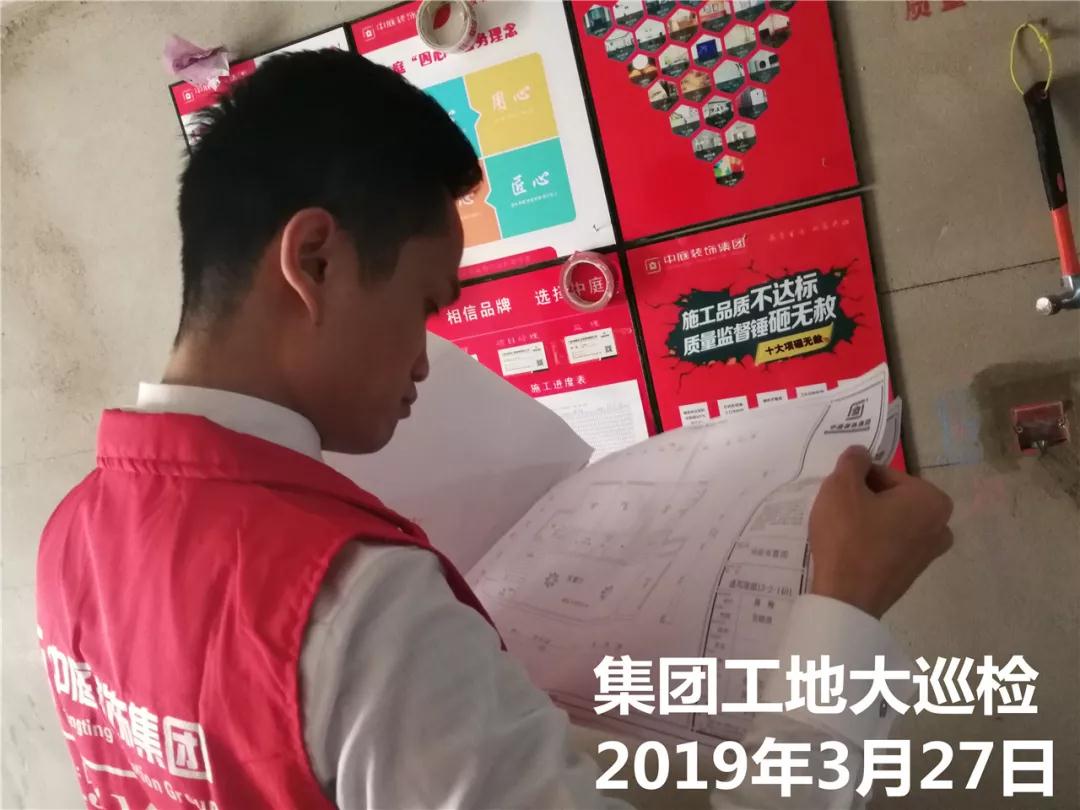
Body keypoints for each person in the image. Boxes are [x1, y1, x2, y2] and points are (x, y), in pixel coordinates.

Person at [36, 50, 953, 810]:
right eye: (424, 306)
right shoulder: (356, 604)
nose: (423, 365)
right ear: (314, 261)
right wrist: (843, 610)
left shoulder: (71, 536)